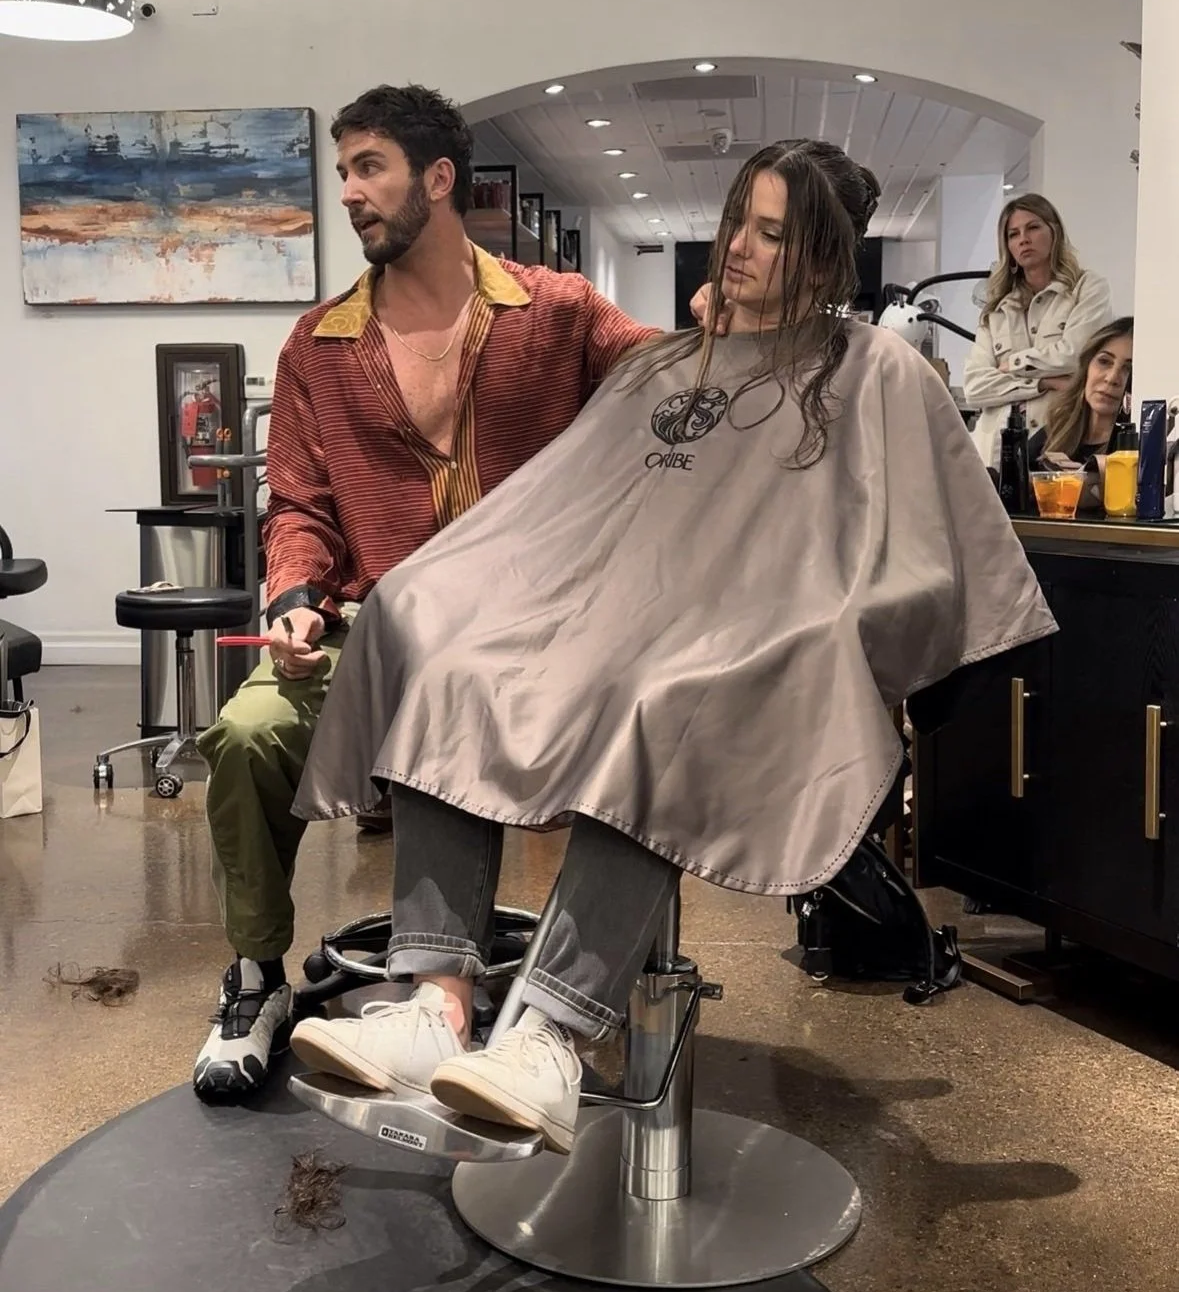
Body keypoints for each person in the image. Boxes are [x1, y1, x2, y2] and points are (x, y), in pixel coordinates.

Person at [286, 139, 1058, 1155]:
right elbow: (565, 506)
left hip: (749, 650)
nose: (736, 247)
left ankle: (552, 1033)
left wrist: (836, 620)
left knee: (661, 698)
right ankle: (437, 1001)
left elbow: (937, 556)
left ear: (824, 258)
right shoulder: (662, 364)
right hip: (612, 617)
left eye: (770, 234)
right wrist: (436, 590)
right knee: (447, 651)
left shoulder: (879, 370)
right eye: (738, 221)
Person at [190, 84, 664, 1100]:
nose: (348, 193)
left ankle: (516, 1011)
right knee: (246, 735)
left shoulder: (557, 314)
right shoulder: (318, 346)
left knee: (650, 725)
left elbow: (670, 385)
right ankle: (257, 976)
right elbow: (298, 506)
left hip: (535, 643)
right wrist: (295, 598)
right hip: (374, 634)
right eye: (343, 171)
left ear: (438, 178)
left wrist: (736, 329)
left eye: (370, 168)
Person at [964, 194, 1112, 469]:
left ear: (1054, 231)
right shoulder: (996, 309)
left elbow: (1073, 356)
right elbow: (974, 387)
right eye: (1013, 234)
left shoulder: (1086, 289)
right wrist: (1043, 382)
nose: (1023, 239)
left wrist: (1014, 364)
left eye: (1033, 228)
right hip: (993, 454)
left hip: (1056, 443)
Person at [1027, 317, 1133, 476]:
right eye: (1104, 361)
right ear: (1087, 366)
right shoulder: (1055, 432)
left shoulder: (1138, 450)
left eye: (1128, 369)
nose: (1112, 378)